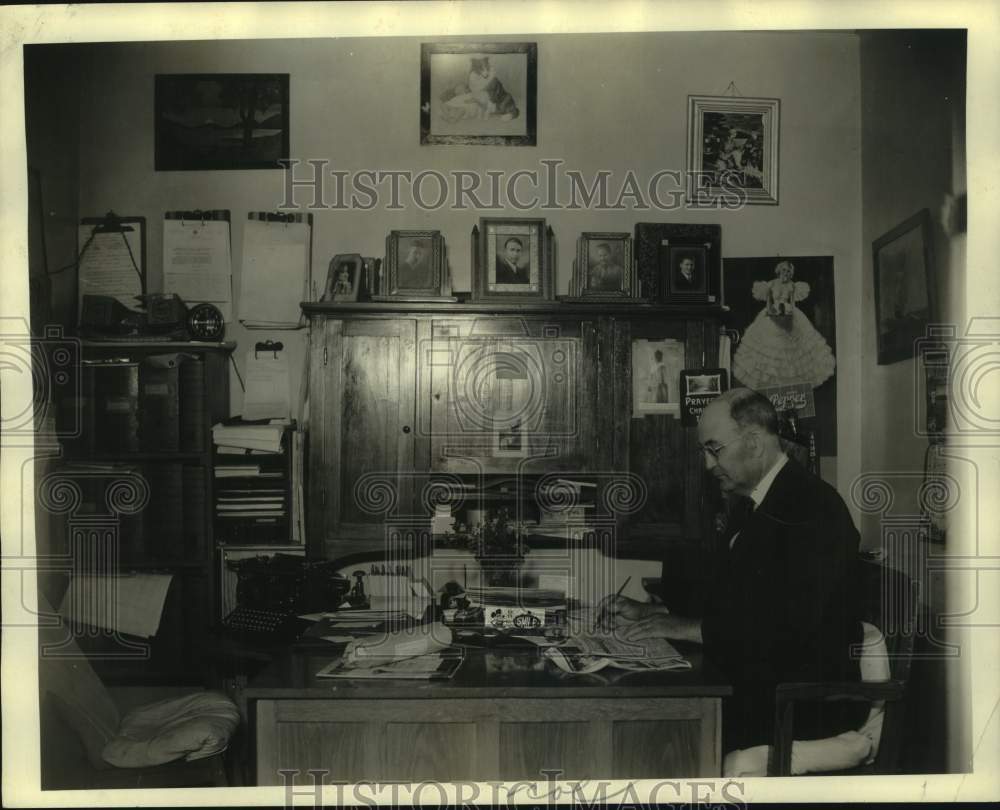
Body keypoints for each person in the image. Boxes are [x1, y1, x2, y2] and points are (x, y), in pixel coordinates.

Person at [597, 388, 866, 753]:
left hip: (797, 706)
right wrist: (656, 611)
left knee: (649, 730)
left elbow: (789, 628)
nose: (709, 464)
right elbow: (733, 594)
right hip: (760, 687)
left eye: (714, 449)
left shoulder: (814, 509)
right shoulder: (756, 502)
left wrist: (691, 628)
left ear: (754, 443)